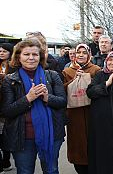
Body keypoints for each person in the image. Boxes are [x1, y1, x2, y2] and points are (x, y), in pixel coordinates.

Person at [1, 39, 67, 174]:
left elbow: (62, 102)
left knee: (51, 170)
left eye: (35, 54)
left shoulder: (52, 76)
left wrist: (48, 97)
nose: (31, 58)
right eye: (26, 54)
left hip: (51, 134)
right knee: (25, 171)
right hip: (22, 137)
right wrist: (28, 99)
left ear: (40, 57)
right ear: (18, 57)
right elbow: (6, 111)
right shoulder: (10, 79)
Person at [62, 44, 101, 174]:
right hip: (75, 115)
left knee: (94, 142)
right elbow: (62, 91)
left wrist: (87, 79)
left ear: (89, 55)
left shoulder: (96, 70)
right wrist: (75, 80)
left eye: (84, 52)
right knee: (77, 144)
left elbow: (101, 88)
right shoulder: (67, 71)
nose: (81, 55)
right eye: (78, 52)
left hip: (93, 112)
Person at [0, 43, 14, 172]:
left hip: (8, 103)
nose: (1, 53)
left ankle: (6, 160)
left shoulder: (13, 67)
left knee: (5, 133)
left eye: (4, 51)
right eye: (0, 51)